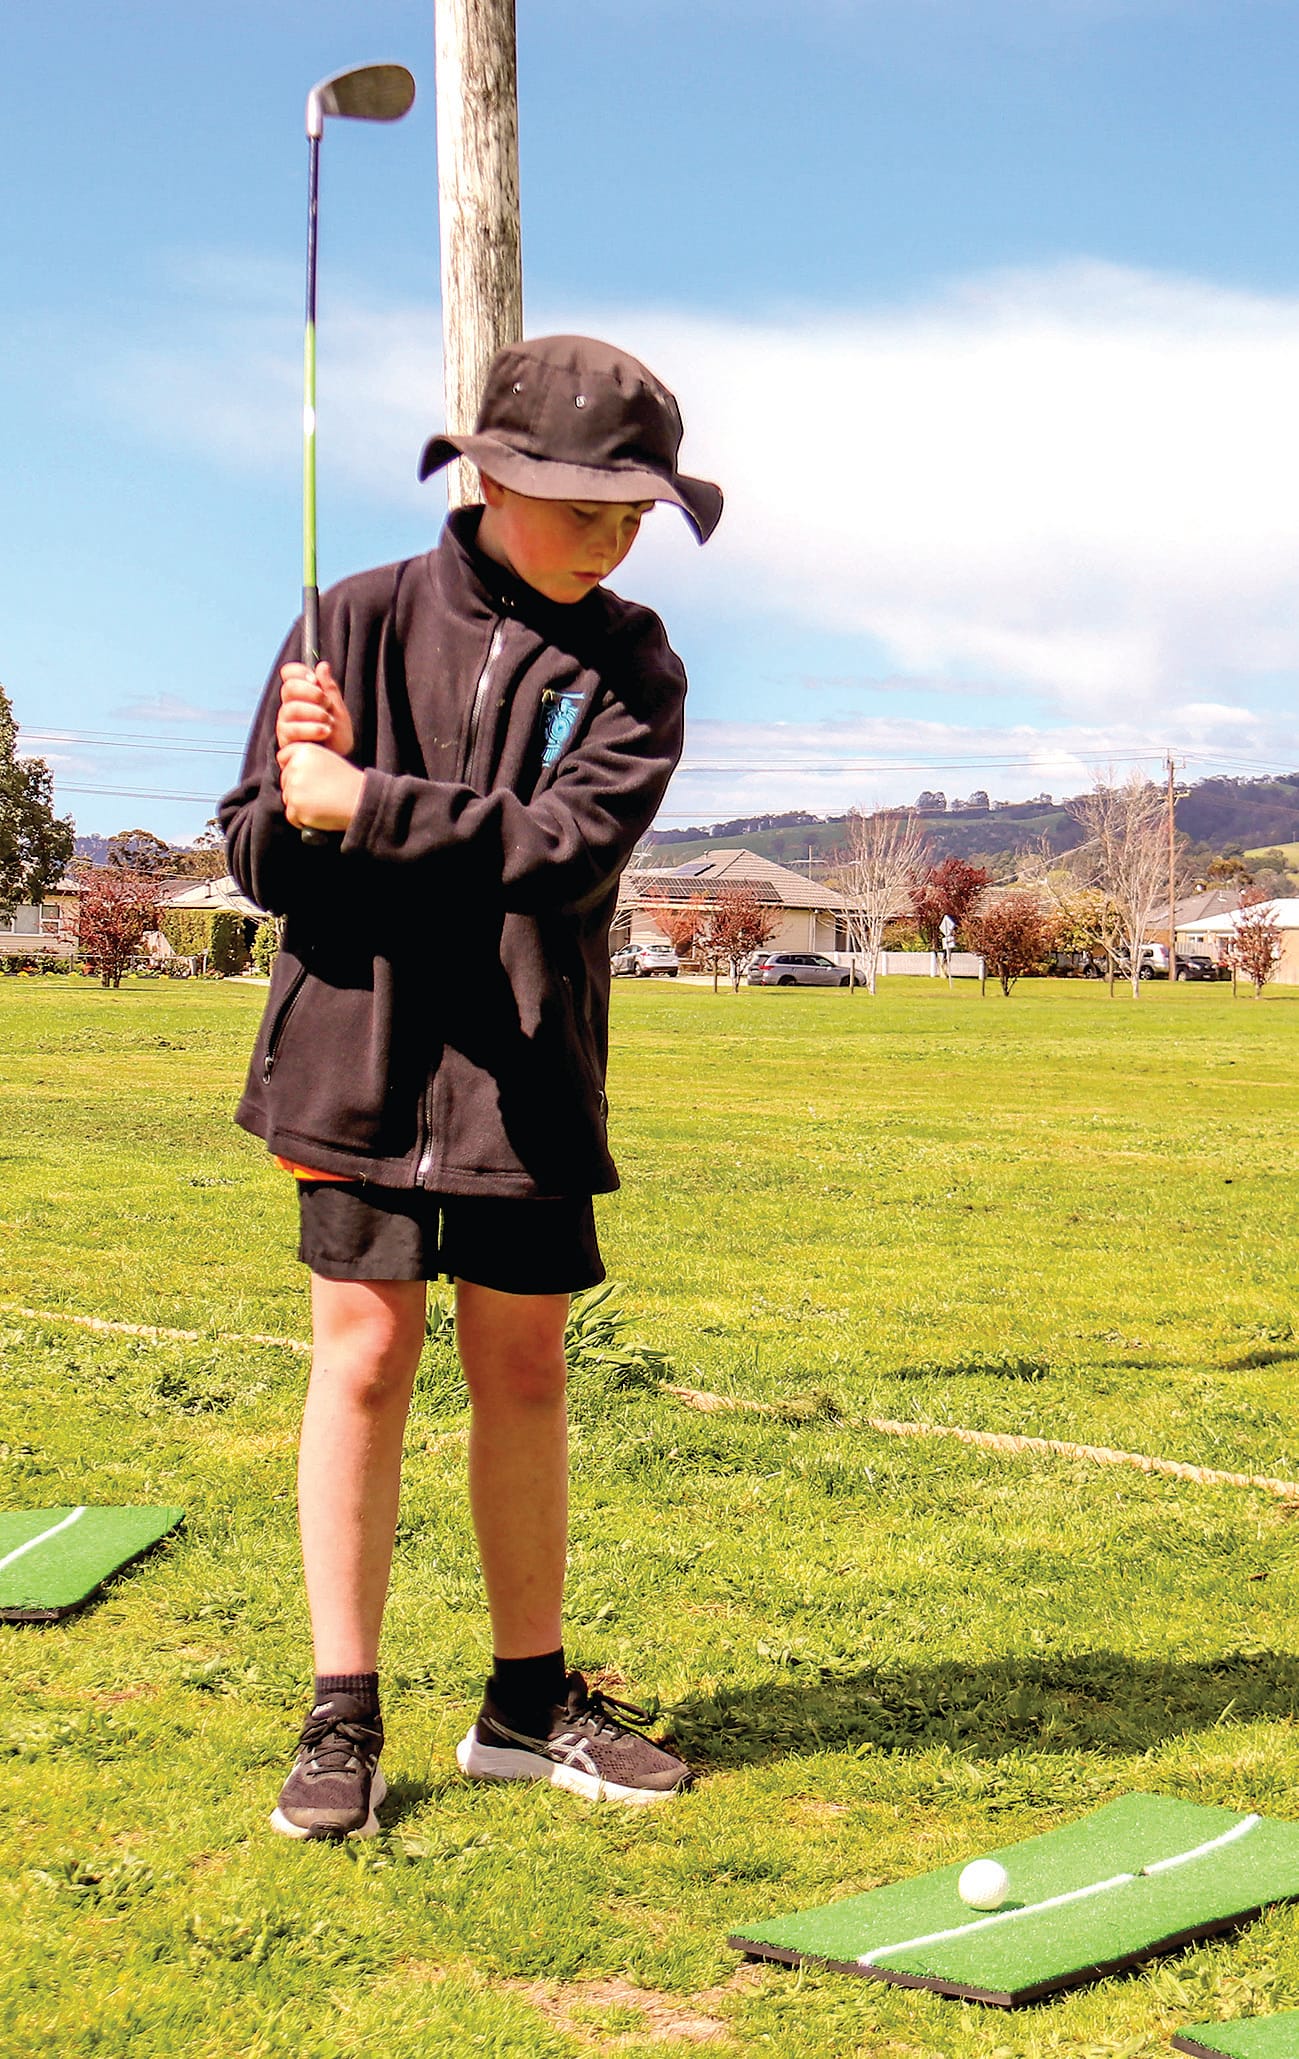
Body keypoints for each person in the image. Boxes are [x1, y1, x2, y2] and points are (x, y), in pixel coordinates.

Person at [220, 334, 722, 1839]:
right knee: (364, 1360)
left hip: (528, 1079)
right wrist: (296, 802)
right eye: (585, 509)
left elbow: (564, 852)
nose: (613, 539)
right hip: (355, 1061)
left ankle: (527, 1704)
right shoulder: (351, 619)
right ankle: (342, 1711)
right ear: (491, 479)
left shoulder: (635, 666)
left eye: (633, 516)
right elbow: (254, 852)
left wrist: (364, 802)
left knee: (525, 1372)